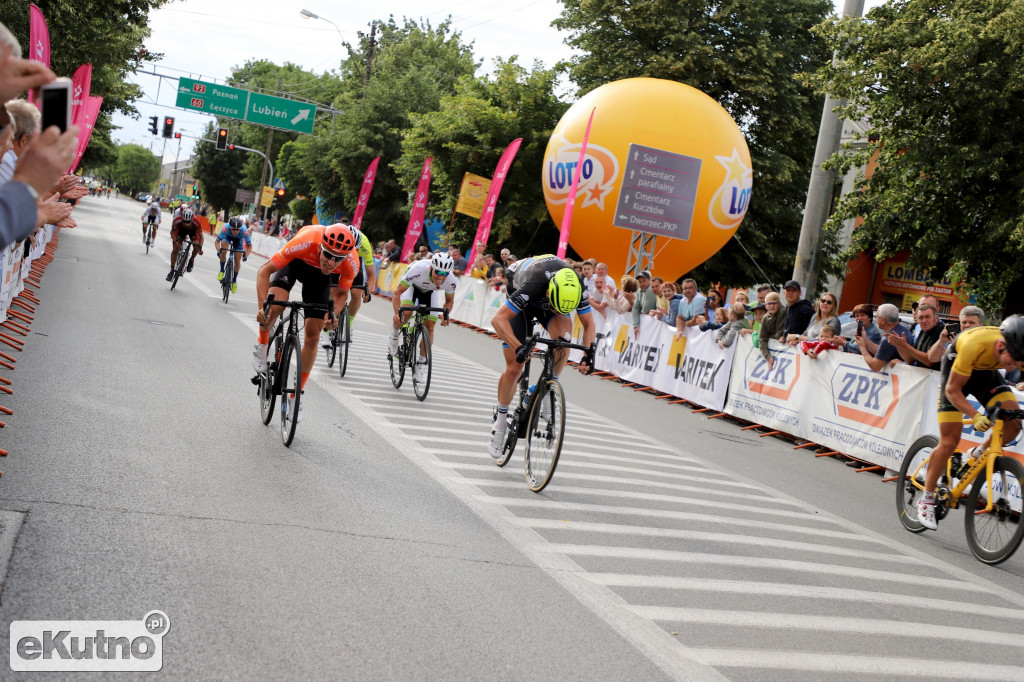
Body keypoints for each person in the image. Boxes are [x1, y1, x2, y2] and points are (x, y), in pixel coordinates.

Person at [916, 317, 1024, 530]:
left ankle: (977, 453)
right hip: (956, 373)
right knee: (949, 441)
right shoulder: (975, 346)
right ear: (1001, 345)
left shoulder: (1016, 350)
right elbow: (952, 390)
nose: (1015, 366)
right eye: (1012, 361)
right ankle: (926, 498)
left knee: (1013, 423)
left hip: (985, 374)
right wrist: (976, 416)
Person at [487, 256, 596, 458]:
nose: (556, 311)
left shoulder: (576, 286)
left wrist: (588, 355)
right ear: (548, 293)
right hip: (522, 295)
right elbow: (498, 320)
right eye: (555, 306)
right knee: (514, 367)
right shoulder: (534, 283)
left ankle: (545, 389)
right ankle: (500, 423)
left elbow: (589, 325)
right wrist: (519, 347)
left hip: (549, 295)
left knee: (563, 341)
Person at [252, 224, 358, 421]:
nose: (332, 262)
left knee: (314, 335)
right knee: (274, 309)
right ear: (320, 247)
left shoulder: (351, 261)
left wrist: (332, 314)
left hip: (318, 281)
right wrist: (262, 308)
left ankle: (295, 396)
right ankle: (262, 341)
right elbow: (264, 272)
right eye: (328, 254)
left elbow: (343, 294)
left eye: (338, 258)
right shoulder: (305, 241)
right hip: (295, 264)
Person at [387, 252, 456, 383]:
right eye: (438, 272)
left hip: (430, 292)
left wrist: (446, 314)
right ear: (431, 268)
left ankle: (421, 364)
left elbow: (449, 301)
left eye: (445, 274)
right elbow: (397, 293)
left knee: (430, 326)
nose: (441, 277)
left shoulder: (451, 280)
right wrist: (397, 314)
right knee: (405, 314)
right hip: (412, 286)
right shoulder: (418, 269)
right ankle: (394, 335)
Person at [856, 303, 911, 372]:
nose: (876, 319)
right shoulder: (905, 330)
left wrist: (862, 347)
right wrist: (865, 340)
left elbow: (875, 367)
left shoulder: (888, 338)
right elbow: (882, 352)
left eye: (877, 317)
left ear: (883, 320)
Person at [888, 302, 944, 369]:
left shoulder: (941, 330)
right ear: (917, 320)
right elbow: (911, 360)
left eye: (927, 317)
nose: (924, 320)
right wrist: (899, 345)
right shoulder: (923, 330)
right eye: (920, 318)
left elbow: (929, 361)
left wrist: (905, 345)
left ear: (936, 318)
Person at [342, 223, 376, 332]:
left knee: (356, 293)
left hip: (356, 262)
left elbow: (371, 274)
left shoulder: (365, 245)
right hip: (340, 256)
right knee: (335, 290)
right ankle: (329, 326)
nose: (352, 252)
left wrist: (368, 292)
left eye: (355, 249)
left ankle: (349, 325)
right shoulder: (339, 236)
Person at [215, 217, 252, 293]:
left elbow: (250, 246)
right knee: (223, 250)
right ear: (230, 228)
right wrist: (219, 251)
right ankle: (222, 271)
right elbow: (217, 241)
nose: (235, 231)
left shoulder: (244, 230)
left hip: (238, 240)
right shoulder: (226, 228)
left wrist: (246, 256)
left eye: (237, 229)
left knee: (237, 261)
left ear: (240, 228)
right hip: (227, 237)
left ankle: (234, 281)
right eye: (233, 229)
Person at [166, 207, 204, 280]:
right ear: (182, 219)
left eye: (188, 222)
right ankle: (171, 271)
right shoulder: (177, 220)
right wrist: (175, 240)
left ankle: (191, 260)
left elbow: (201, 236)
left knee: (196, 246)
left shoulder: (196, 222)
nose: (186, 224)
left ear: (192, 219)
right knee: (175, 249)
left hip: (193, 232)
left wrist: (200, 247)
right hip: (181, 231)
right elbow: (172, 232)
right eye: (185, 222)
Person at [758, 292, 787, 368]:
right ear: (765, 305)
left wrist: (769, 336)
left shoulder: (782, 312)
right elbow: (762, 338)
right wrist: (767, 356)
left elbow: (779, 334)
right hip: (773, 351)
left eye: (774, 303)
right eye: (769, 304)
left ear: (779, 304)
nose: (772, 306)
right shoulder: (765, 318)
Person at [631, 270, 657, 335]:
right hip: (650, 324)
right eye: (640, 282)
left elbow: (645, 310)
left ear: (649, 280)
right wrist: (636, 325)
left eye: (644, 281)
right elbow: (635, 309)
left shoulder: (650, 290)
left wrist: (641, 312)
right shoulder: (639, 291)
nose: (642, 284)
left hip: (655, 324)